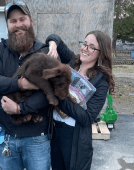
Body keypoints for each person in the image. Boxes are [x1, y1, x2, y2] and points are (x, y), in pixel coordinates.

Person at [0, 1, 52, 170]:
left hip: (37, 138)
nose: (18, 24)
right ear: (7, 25)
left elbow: (49, 92)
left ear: (31, 22)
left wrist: (20, 109)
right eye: (13, 21)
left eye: (22, 19)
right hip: (6, 137)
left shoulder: (44, 52)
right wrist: (22, 83)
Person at [45, 30, 115, 170]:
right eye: (84, 43)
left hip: (73, 137)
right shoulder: (72, 62)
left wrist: (59, 96)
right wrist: (53, 46)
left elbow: (86, 118)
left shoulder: (101, 81)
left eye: (91, 47)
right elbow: (54, 37)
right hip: (54, 131)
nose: (85, 48)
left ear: (101, 53)